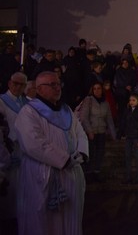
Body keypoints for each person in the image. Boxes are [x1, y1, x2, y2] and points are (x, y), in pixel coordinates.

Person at [15, 71, 88, 235]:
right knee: (43, 221)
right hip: (43, 174)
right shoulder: (28, 112)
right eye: (52, 85)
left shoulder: (66, 110)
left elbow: (80, 132)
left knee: (71, 218)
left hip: (71, 174)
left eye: (58, 84)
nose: (58, 88)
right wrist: (63, 159)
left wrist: (82, 153)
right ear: (39, 89)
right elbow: (33, 142)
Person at [0, 72, 28, 223]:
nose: (18, 87)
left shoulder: (26, 102)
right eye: (15, 83)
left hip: (24, 149)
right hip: (7, 148)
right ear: (9, 83)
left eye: (22, 84)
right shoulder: (1, 101)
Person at [79, 82, 116, 183]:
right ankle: (89, 173)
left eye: (98, 88)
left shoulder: (105, 102)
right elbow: (84, 117)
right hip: (91, 131)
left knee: (100, 152)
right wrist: (89, 131)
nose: (96, 90)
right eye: (94, 88)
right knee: (91, 153)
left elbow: (109, 118)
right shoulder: (89, 101)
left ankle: (96, 172)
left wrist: (113, 134)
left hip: (101, 131)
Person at [120, 93, 138, 185]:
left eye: (133, 100)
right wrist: (122, 133)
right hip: (129, 137)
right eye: (130, 100)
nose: (131, 102)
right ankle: (128, 176)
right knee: (127, 157)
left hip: (136, 137)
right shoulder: (127, 111)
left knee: (137, 157)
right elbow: (124, 122)